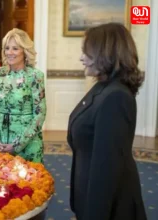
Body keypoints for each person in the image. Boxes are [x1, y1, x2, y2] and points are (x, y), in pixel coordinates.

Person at [67, 23, 147, 220]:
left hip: (110, 208)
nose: (81, 58)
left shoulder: (115, 97)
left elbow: (106, 171)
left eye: (87, 52)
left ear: (106, 54)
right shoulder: (104, 87)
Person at [0, 28, 46, 162]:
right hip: (1, 144)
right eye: (7, 48)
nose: (10, 52)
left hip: (28, 144)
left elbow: (40, 114)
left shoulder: (35, 76)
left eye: (15, 48)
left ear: (25, 51)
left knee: (28, 182)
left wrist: (18, 144)